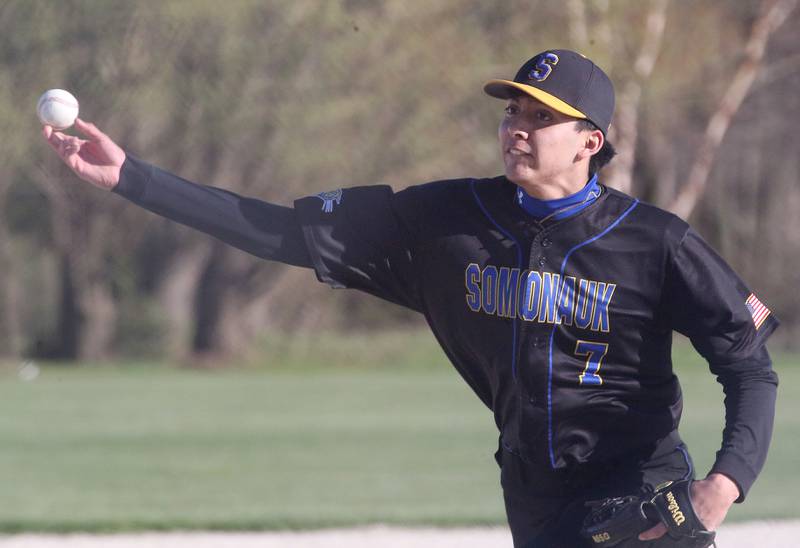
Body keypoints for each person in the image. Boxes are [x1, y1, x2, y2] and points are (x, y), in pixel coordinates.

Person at [43, 49, 778, 547]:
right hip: (532, 491)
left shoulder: (653, 241)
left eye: (541, 117)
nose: (518, 127)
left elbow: (748, 363)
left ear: (591, 142)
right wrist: (134, 178)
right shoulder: (449, 222)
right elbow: (281, 234)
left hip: (640, 492)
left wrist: (724, 485)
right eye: (512, 111)